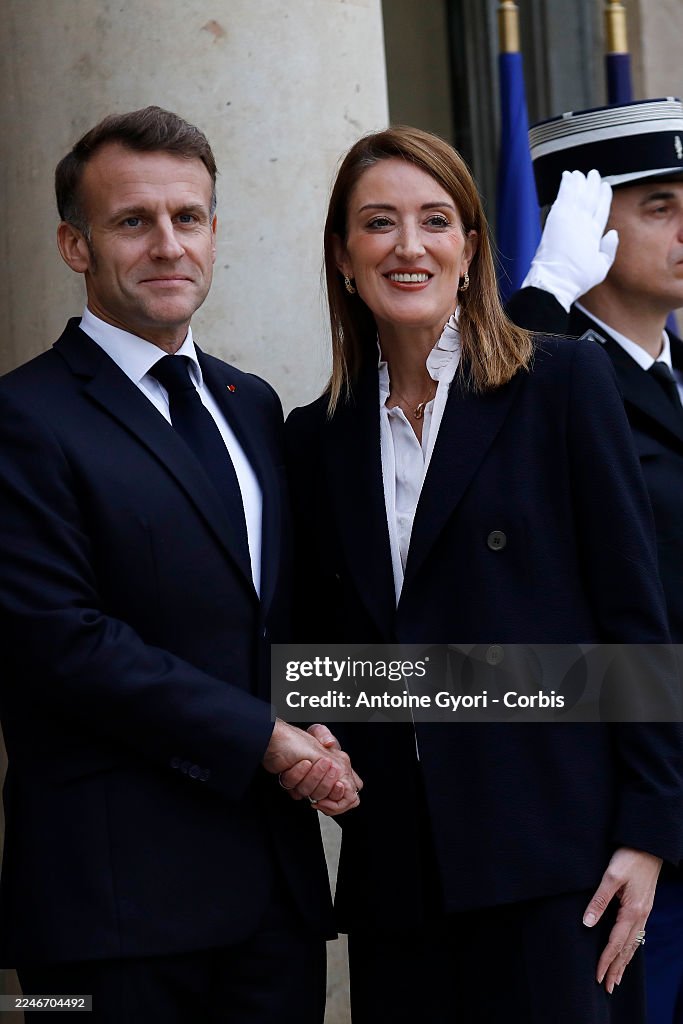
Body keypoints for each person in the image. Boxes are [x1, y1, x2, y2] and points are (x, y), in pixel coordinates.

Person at [282, 125, 683, 1023]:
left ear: (470, 250)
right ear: (344, 258)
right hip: (399, 872)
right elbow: (317, 657)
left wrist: (648, 835)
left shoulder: (563, 383)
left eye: (435, 221)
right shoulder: (314, 439)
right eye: (378, 223)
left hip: (559, 861)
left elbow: (633, 620)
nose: (408, 246)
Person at [0, 105, 361, 1024]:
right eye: (133, 221)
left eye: (188, 218)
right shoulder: (24, 418)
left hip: (270, 905)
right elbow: (60, 643)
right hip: (106, 912)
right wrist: (267, 741)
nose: (168, 244)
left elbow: (273, 623)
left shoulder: (250, 403)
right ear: (74, 247)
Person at [506, 96, 683, 1024]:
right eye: (657, 205)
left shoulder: (674, 375)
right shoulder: (551, 378)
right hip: (622, 829)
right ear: (583, 227)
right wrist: (539, 300)